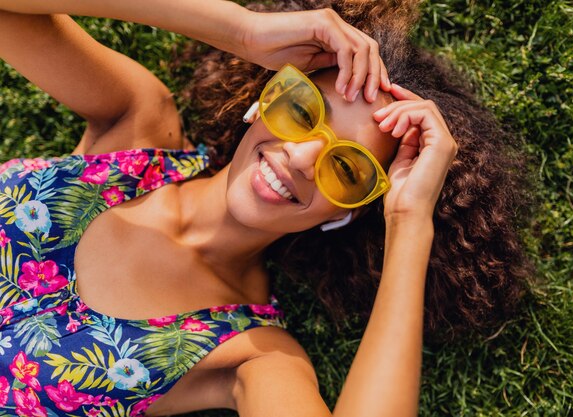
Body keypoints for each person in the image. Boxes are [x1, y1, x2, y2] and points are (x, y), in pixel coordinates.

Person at [0, 1, 533, 416]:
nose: (300, 158)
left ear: (345, 213)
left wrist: (409, 222)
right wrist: (240, 30)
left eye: (345, 169)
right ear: (263, 100)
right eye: (302, 110)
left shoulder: (251, 351)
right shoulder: (135, 126)